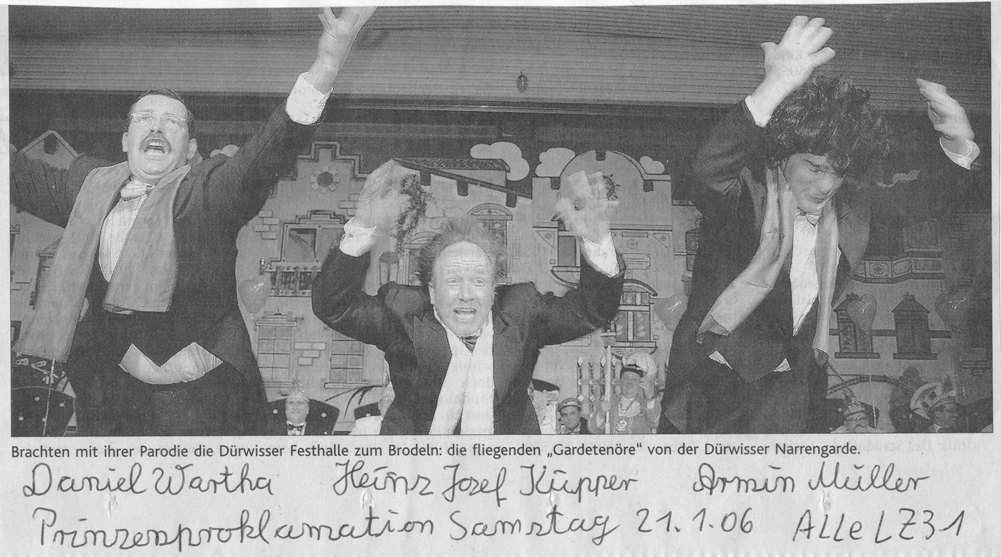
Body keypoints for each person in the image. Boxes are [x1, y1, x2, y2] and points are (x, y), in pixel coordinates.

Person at [10, 8, 376, 436]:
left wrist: (327, 64)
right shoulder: (86, 189)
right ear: (126, 140)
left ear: (189, 150)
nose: (157, 127)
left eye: (172, 122)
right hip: (114, 395)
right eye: (144, 119)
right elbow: (15, 175)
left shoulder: (207, 192)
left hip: (208, 401)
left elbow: (265, 156)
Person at [658, 17, 980, 434]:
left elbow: (922, 200)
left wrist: (958, 144)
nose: (827, 185)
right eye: (813, 167)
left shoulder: (850, 212)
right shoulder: (746, 194)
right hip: (709, 385)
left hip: (791, 390)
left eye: (838, 172)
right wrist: (773, 87)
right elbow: (706, 171)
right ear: (783, 157)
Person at [311, 166, 624, 434]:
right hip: (415, 474)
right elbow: (334, 307)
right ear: (432, 292)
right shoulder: (402, 312)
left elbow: (592, 310)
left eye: (478, 281)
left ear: (493, 290)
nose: (466, 293)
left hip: (507, 473)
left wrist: (596, 242)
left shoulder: (522, 310)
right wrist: (362, 229)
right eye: (452, 280)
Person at [590, 361, 659, 434]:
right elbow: (594, 429)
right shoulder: (610, 401)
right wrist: (601, 413)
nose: (630, 382)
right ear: (620, 381)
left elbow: (654, 423)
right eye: (626, 378)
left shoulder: (645, 404)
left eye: (634, 379)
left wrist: (649, 397)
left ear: (640, 384)